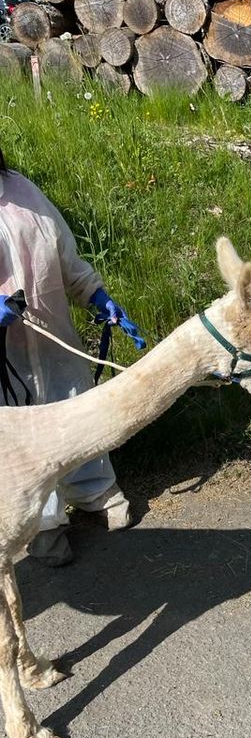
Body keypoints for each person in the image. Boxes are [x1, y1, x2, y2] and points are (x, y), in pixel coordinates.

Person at [0, 146, 144, 566]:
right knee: (24, 445)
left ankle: (94, 492)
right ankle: (41, 525)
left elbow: (63, 255)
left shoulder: (23, 190)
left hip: (54, 342)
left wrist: (98, 297)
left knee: (75, 417)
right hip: (7, 366)